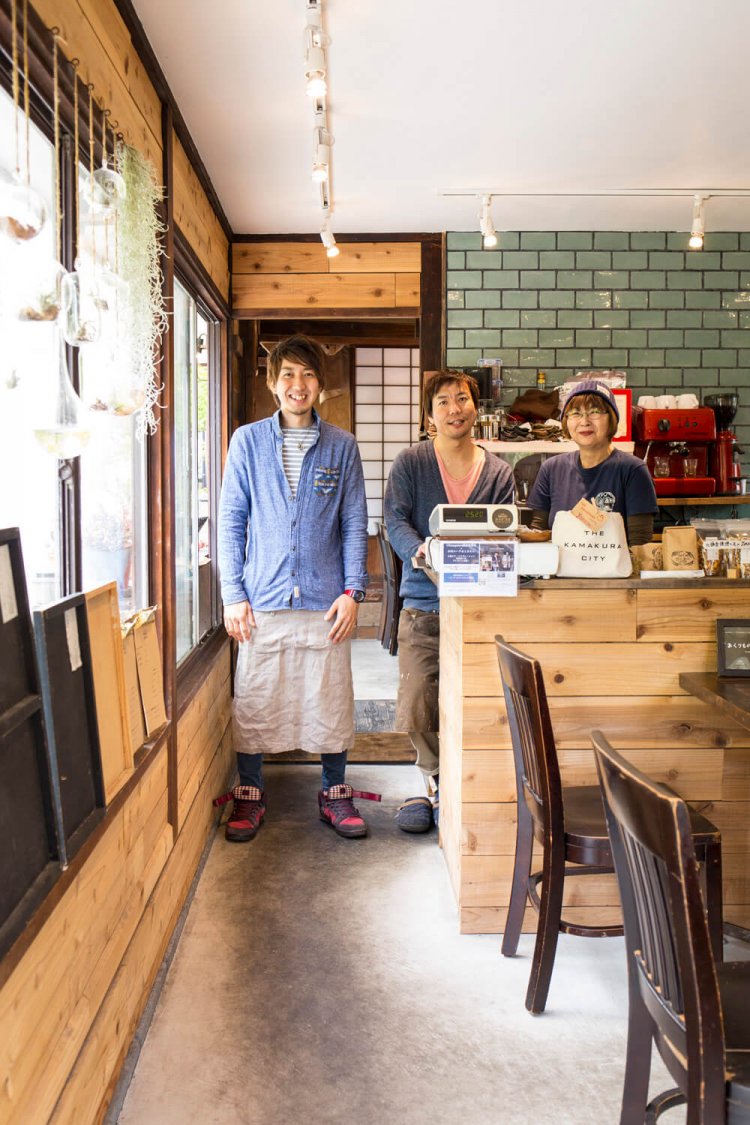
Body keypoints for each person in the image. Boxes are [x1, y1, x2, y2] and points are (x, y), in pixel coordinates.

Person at [215, 334, 378, 842]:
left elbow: (355, 522)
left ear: (321, 386)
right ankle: (250, 792)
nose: (298, 384)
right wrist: (232, 594)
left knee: (329, 698)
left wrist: (354, 591)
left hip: (325, 599)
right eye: (288, 374)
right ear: (272, 382)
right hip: (262, 599)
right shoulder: (246, 441)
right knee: (256, 697)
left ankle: (334, 791)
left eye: (308, 375)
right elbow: (231, 521)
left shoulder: (341, 445)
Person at [384, 370, 514, 833]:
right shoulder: (411, 463)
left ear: (475, 409)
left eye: (462, 399)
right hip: (423, 601)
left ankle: (469, 787)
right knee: (418, 700)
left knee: (479, 700)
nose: (455, 408)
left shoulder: (499, 472)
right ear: (428, 416)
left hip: (481, 606)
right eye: (443, 402)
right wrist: (419, 550)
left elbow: (503, 534)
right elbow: (394, 520)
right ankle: (437, 781)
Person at [527, 378, 657, 545]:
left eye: (594, 412)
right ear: (566, 422)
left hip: (615, 570)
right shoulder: (551, 469)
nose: (584, 421)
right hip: (560, 570)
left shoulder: (633, 470)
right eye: (575, 413)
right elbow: (539, 533)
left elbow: (640, 543)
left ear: (612, 419)